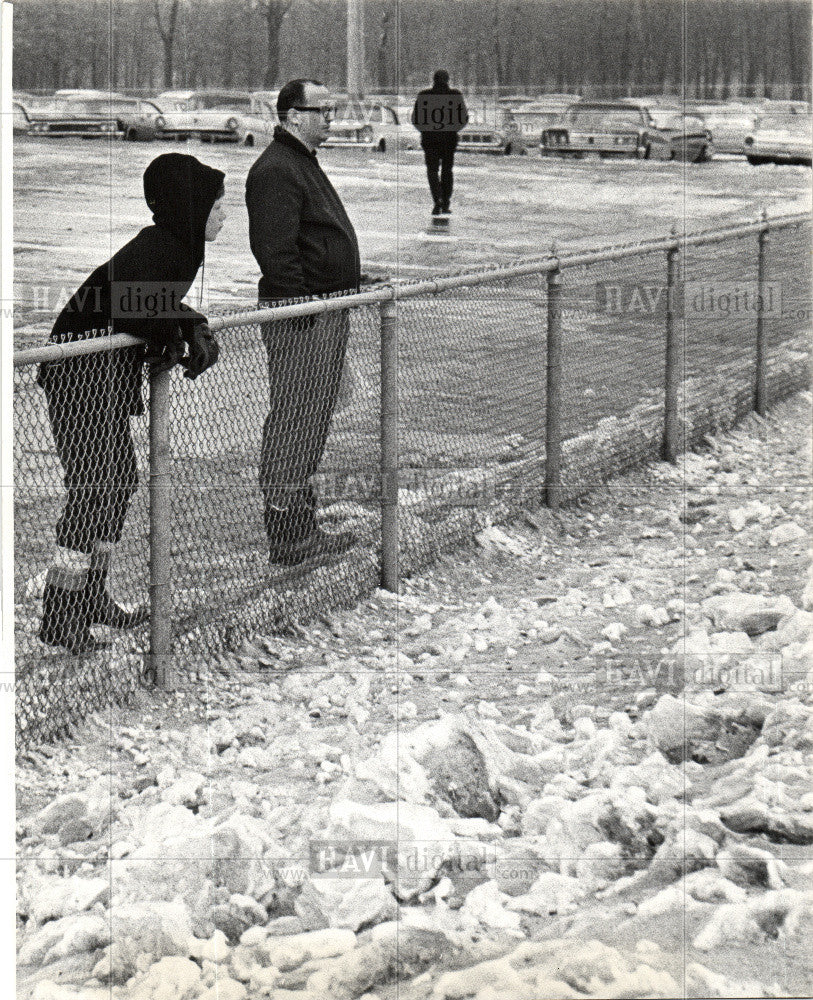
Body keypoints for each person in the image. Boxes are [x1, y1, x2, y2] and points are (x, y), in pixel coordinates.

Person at [36, 153, 225, 653]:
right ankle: (61, 609)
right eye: (216, 206)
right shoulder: (160, 245)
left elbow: (155, 301)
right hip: (79, 373)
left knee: (118, 479)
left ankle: (91, 594)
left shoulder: (172, 246)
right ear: (191, 208)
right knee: (95, 487)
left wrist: (190, 323)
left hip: (106, 377)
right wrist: (178, 333)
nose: (224, 216)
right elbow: (130, 300)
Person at [246, 78, 361, 567]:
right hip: (302, 317)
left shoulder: (300, 162)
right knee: (295, 419)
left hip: (323, 307)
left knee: (312, 418)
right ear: (294, 115)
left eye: (333, 110)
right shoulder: (277, 169)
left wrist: (347, 271)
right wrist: (301, 308)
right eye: (324, 110)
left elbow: (311, 239)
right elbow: (275, 251)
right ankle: (288, 535)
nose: (331, 118)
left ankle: (302, 527)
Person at [412, 70, 469, 215]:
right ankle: (445, 201)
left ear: (434, 80)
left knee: (432, 171)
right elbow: (463, 118)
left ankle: (437, 198)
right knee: (447, 171)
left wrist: (426, 131)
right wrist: (452, 129)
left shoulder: (424, 96)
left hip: (430, 140)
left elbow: (416, 119)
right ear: (447, 80)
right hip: (449, 140)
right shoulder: (455, 96)